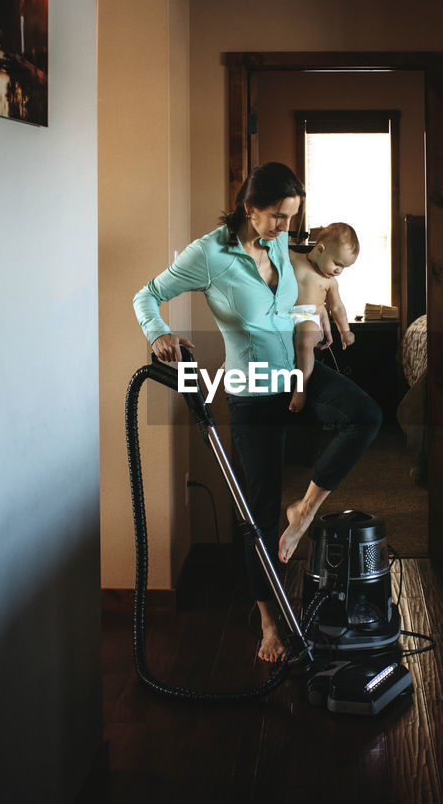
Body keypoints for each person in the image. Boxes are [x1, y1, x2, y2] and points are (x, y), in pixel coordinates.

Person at [133, 162, 381, 663]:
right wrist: (158, 332)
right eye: (275, 218)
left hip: (298, 374)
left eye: (291, 218)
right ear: (249, 207)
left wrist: (314, 329)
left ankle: (306, 510)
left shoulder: (280, 248)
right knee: (259, 513)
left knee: (365, 416)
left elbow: (291, 304)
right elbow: (147, 295)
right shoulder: (210, 254)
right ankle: (269, 622)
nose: (284, 229)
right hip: (253, 389)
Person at [286, 222, 359, 413]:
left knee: (304, 342)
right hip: (284, 314)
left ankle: (300, 389)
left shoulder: (330, 282)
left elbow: (337, 307)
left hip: (309, 316)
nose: (338, 271)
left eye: (344, 267)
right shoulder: (292, 257)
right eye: (337, 263)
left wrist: (345, 331)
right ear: (320, 249)